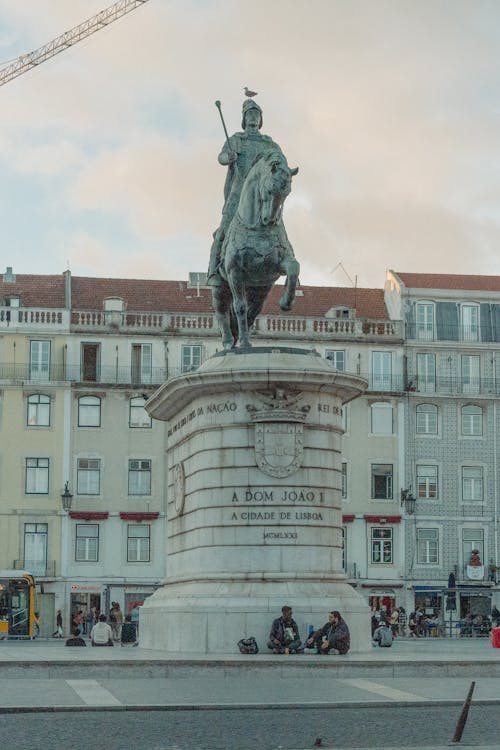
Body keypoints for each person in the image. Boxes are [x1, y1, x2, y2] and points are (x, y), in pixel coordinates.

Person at [207, 98, 285, 288]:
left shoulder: (269, 144)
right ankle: (213, 272)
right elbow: (222, 157)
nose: (253, 117)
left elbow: (280, 163)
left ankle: (286, 257)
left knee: (279, 228)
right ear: (244, 118)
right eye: (250, 114)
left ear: (261, 120)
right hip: (237, 193)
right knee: (222, 231)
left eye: (257, 114)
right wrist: (229, 157)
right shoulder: (236, 140)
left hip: (263, 197)